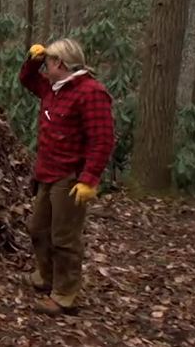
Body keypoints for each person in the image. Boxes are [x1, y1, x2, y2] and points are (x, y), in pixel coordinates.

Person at [19, 39, 115, 315]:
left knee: (64, 237)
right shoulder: (53, 88)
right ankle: (45, 277)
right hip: (47, 172)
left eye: (47, 62)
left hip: (71, 177)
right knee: (38, 228)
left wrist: (89, 179)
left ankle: (65, 294)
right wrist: (34, 60)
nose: (45, 69)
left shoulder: (89, 92)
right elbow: (27, 80)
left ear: (60, 64)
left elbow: (102, 139)